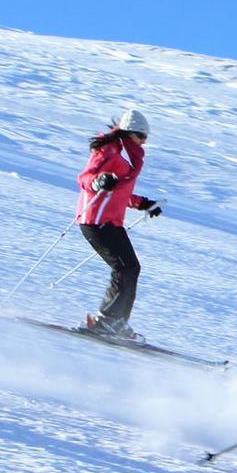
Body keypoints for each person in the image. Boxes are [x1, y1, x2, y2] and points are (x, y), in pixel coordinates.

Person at [75, 109, 161, 340]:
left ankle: (114, 321)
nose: (143, 142)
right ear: (130, 133)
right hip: (96, 220)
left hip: (111, 222)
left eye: (145, 138)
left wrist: (143, 203)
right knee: (126, 268)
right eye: (141, 137)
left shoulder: (129, 156)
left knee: (129, 268)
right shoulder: (112, 150)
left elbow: (120, 192)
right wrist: (98, 181)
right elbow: (85, 178)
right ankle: (108, 321)